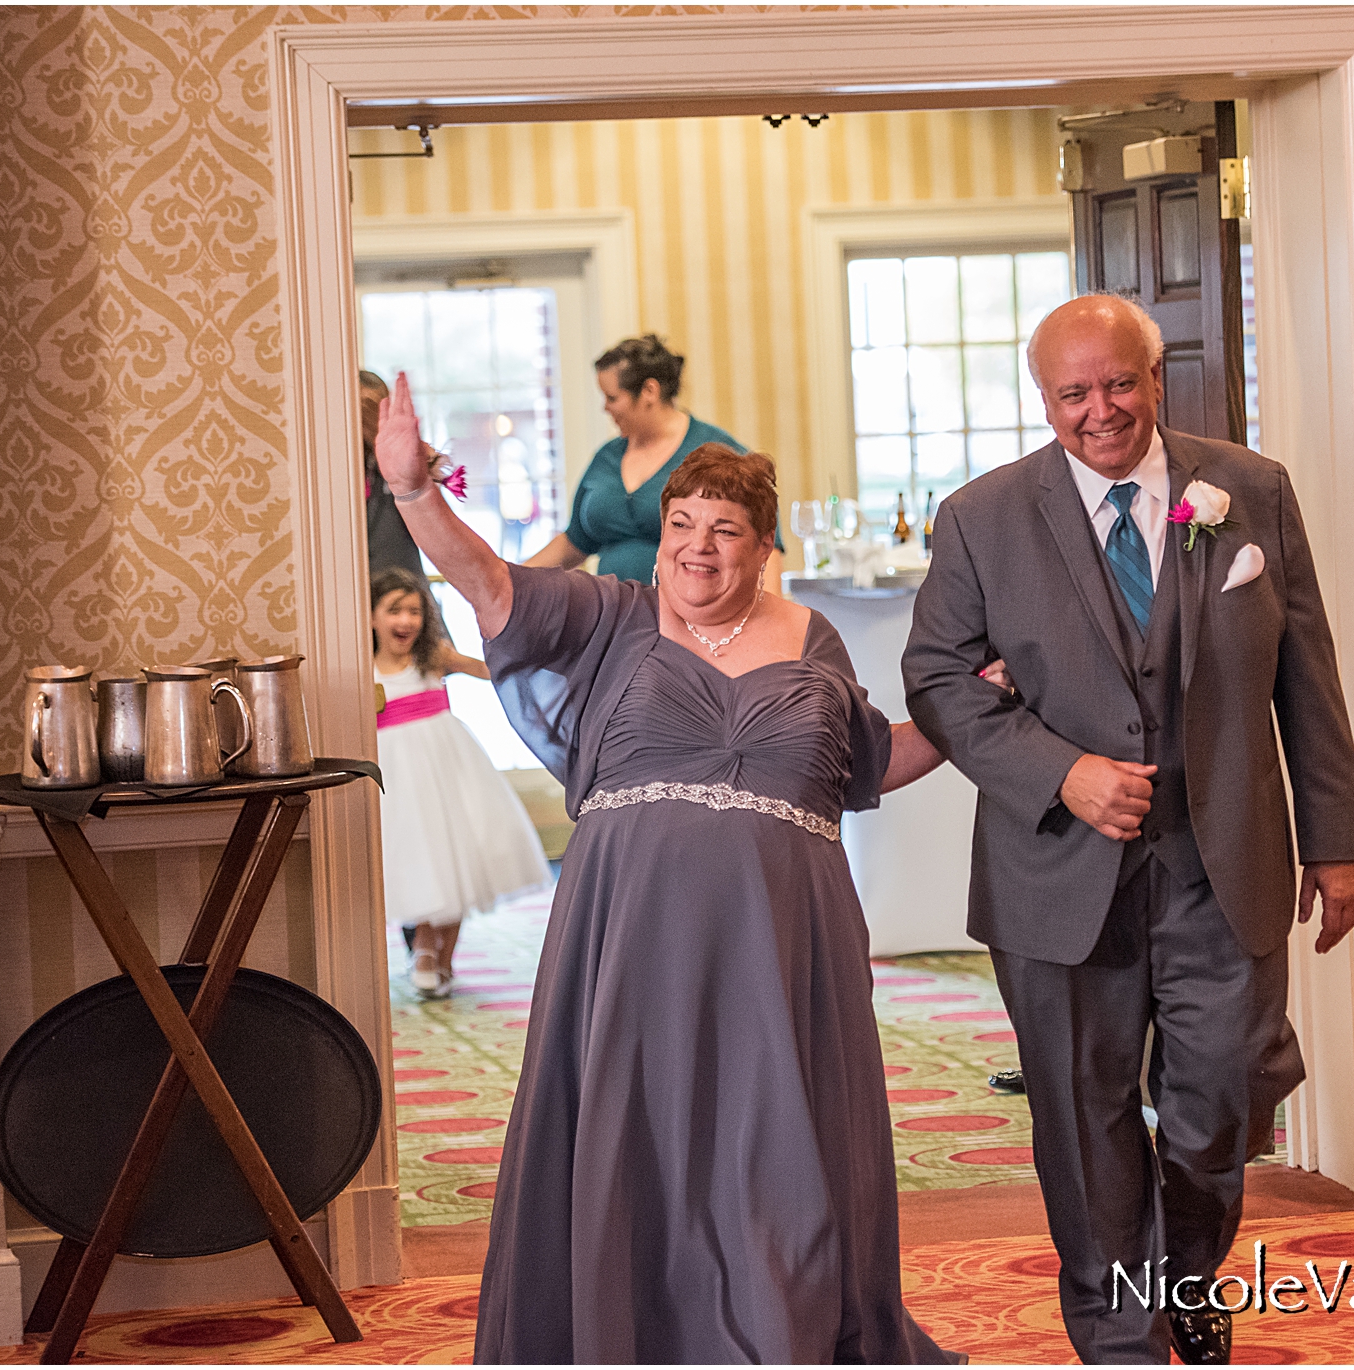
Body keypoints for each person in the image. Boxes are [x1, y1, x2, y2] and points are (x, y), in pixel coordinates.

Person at [375, 371, 960, 1364]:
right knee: (635, 1136)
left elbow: (867, 760)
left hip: (782, 938)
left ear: (762, 545)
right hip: (631, 930)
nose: (696, 545)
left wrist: (974, 714)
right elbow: (487, 582)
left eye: (723, 528)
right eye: (681, 523)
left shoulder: (811, 640)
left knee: (779, 1147)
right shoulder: (609, 615)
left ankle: (782, 1331)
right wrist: (411, 489)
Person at [902, 294, 1354, 1364]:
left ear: (1154, 379)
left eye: (1117, 383)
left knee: (1221, 1092)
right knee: (1081, 1115)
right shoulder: (980, 516)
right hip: (1055, 878)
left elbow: (1308, 674)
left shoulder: (1246, 491)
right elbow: (934, 678)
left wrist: (1333, 841)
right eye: (1073, 393)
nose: (1098, 410)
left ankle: (1183, 1275)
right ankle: (1118, 1334)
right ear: (1044, 399)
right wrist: (1059, 772)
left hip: (1223, 859)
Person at [370, 566, 549, 998]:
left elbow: (492, 670)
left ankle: (442, 955)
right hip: (398, 775)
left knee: (458, 858)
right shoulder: (364, 670)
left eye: (415, 611)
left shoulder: (434, 657)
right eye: (394, 610)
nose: (406, 621)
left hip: (449, 765)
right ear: (371, 616)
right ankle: (425, 947)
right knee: (422, 857)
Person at [523, 334, 782, 580]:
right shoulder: (606, 457)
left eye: (612, 397)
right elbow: (575, 542)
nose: (605, 408)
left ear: (649, 391)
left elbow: (764, 549)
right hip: (613, 619)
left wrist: (766, 620)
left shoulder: (720, 456)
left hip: (690, 621)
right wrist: (510, 576)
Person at [360, 371, 427, 581]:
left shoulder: (402, 458)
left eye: (371, 408)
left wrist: (381, 439)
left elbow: (429, 512)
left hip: (403, 583)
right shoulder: (330, 464)